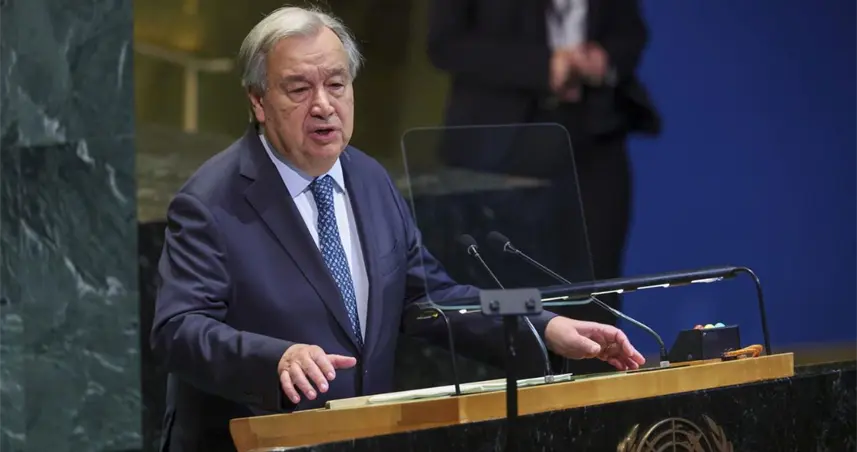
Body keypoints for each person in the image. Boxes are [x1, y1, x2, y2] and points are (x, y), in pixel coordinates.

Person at [150, 6, 646, 451]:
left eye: (336, 84)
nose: (323, 104)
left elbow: (431, 297)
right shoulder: (211, 201)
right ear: (258, 101)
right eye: (299, 89)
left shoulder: (370, 180)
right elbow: (178, 328)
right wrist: (274, 359)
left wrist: (543, 324)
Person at [426, 0, 661, 375]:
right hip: (500, 144)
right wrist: (543, 65)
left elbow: (630, 30)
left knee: (596, 285)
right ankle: (511, 400)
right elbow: (445, 43)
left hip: (595, 136)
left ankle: (594, 397)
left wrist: (605, 59)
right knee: (501, 283)